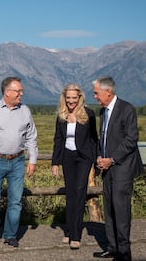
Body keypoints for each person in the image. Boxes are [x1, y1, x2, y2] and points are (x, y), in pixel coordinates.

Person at [0, 76, 38, 247]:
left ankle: (10, 235)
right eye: (18, 91)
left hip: (17, 161)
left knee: (15, 200)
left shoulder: (25, 111)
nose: (21, 94)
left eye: (21, 91)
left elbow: (31, 136)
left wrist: (32, 160)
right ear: (7, 92)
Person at [92, 76, 143, 261]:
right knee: (109, 209)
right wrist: (99, 156)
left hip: (122, 168)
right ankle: (112, 247)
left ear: (108, 92)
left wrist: (112, 159)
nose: (95, 97)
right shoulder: (103, 111)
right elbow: (102, 138)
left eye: (97, 93)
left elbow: (131, 139)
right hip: (107, 168)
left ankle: (124, 253)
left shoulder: (126, 109)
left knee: (121, 211)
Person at [51, 83, 98, 250]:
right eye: (68, 98)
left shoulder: (89, 114)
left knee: (80, 192)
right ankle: (69, 230)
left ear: (80, 98)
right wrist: (55, 162)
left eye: (74, 98)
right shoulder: (61, 116)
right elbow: (58, 140)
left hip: (84, 158)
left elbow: (94, 139)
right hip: (67, 158)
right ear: (64, 98)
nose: (71, 101)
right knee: (70, 194)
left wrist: (94, 160)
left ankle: (76, 236)